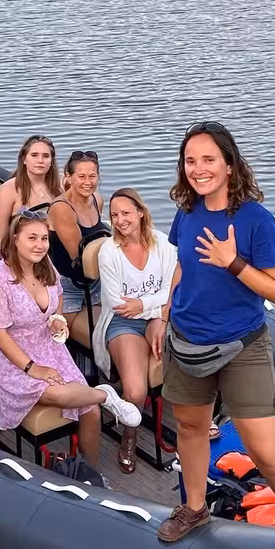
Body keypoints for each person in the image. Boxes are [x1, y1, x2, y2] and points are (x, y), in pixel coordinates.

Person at [157, 122, 275, 549]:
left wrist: (234, 263)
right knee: (190, 429)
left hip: (241, 346)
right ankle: (194, 507)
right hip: (186, 340)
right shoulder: (186, 212)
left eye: (208, 159)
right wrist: (165, 313)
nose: (198, 169)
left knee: (264, 449)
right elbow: (182, 268)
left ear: (229, 164)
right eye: (190, 160)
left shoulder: (255, 220)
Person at [0, 209, 142, 462]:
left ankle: (90, 472)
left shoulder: (45, 266)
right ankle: (106, 395)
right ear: (15, 238)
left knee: (91, 411)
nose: (40, 245)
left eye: (44, 238)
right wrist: (34, 369)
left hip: (48, 347)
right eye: (32, 238)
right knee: (56, 393)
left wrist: (57, 320)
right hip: (12, 359)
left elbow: (59, 297)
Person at [93, 188, 176, 474]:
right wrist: (154, 307)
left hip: (161, 318)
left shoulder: (163, 244)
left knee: (196, 350)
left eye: (126, 213)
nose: (119, 220)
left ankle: (202, 421)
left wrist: (154, 314)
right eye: (114, 215)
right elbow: (119, 305)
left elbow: (173, 288)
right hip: (123, 323)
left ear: (141, 212)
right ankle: (128, 437)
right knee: (135, 388)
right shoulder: (109, 251)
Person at [47, 151, 107, 327]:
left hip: (96, 281)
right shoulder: (62, 209)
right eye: (81, 176)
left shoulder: (97, 199)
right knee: (62, 339)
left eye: (92, 176)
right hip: (69, 286)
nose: (88, 182)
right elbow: (80, 260)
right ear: (68, 177)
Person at [0, 135, 62, 249]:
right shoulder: (8, 190)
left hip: (55, 248)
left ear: (51, 161)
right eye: (34, 155)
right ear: (24, 159)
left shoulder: (59, 186)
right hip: (19, 253)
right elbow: (1, 239)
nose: (40, 160)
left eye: (46, 156)